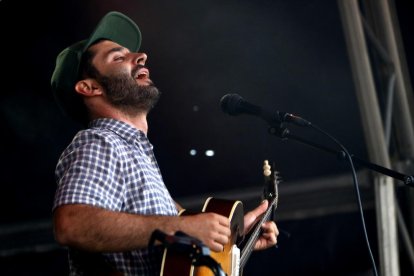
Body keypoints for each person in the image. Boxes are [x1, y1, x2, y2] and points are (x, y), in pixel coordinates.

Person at [51, 11, 279, 275]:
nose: (141, 56)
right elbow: (71, 224)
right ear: (89, 88)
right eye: (119, 57)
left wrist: (233, 243)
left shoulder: (136, 153)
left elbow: (178, 236)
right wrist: (182, 228)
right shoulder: (100, 142)